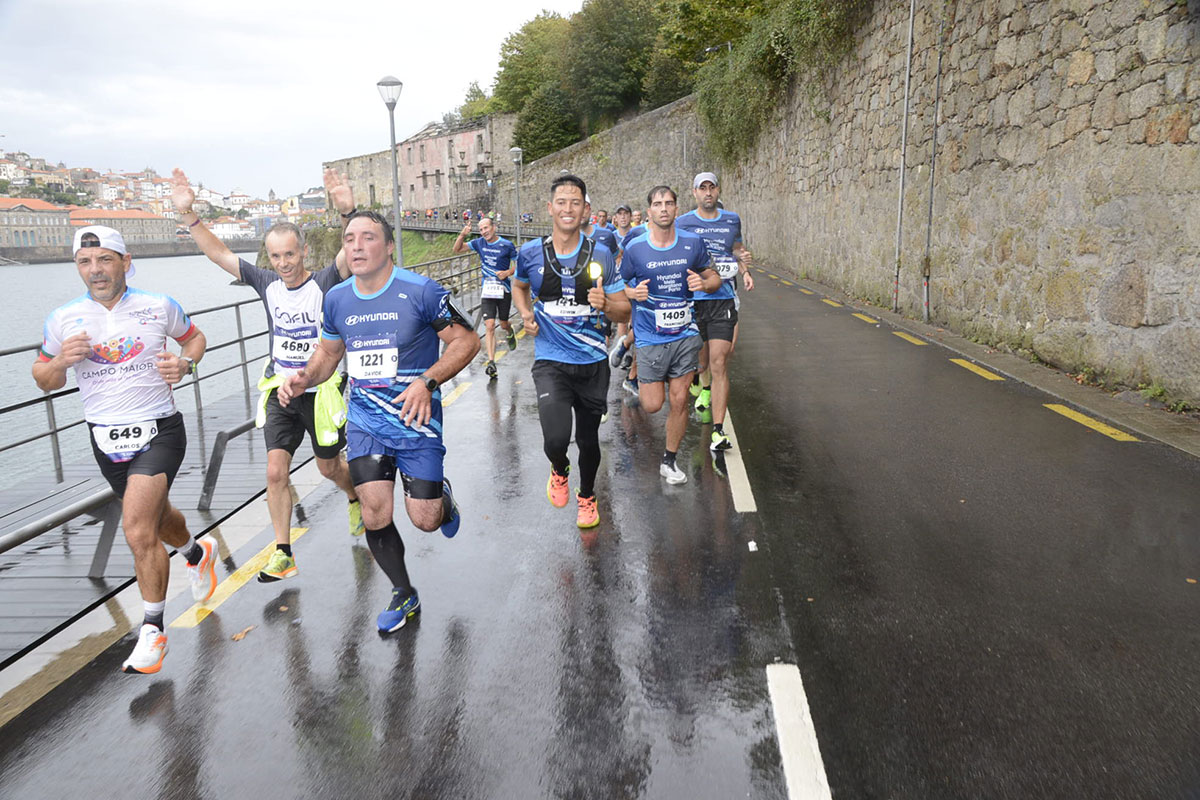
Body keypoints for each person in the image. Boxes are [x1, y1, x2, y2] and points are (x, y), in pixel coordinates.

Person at [278, 211, 478, 633]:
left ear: (388, 247)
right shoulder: (337, 299)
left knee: (425, 518)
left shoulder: (421, 291)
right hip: (366, 422)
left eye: (367, 237)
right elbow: (329, 354)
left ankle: (442, 499)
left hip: (415, 419)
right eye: (349, 238)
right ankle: (403, 593)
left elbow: (467, 340)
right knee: (374, 511)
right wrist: (304, 378)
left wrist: (427, 381)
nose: (356, 246)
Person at [34, 226, 214, 674]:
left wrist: (185, 363)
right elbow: (43, 378)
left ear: (125, 262)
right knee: (158, 519)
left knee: (136, 528)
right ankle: (197, 554)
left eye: (104, 259)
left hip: (160, 430)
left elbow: (195, 338)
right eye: (85, 262)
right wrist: (61, 361)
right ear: (77, 267)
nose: (95, 270)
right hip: (105, 439)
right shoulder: (63, 319)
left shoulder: (158, 306)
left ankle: (152, 631)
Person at [171, 168, 363, 583]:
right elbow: (219, 254)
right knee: (275, 473)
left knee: (329, 468)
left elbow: (350, 253)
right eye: (275, 257)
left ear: (304, 252)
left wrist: (348, 212)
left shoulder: (325, 281)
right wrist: (189, 215)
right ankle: (283, 553)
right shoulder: (266, 283)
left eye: (289, 255)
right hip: (280, 390)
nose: (283, 264)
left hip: (321, 390)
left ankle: (353, 497)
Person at [512, 174, 629, 528]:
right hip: (551, 361)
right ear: (550, 208)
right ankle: (559, 468)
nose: (568, 208)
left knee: (588, 440)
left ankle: (587, 495)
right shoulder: (530, 253)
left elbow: (624, 311)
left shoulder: (601, 254)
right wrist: (525, 313)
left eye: (575, 202)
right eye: (561, 202)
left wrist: (606, 304)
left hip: (593, 362)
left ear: (585, 210)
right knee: (556, 438)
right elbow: (519, 286)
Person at [619, 186, 721, 485]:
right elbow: (618, 285)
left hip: (685, 335)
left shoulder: (692, 242)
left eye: (669, 203)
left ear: (677, 208)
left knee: (680, 400)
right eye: (657, 204)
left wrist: (705, 284)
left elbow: (713, 276)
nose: (663, 208)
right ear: (649, 210)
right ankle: (647, 369)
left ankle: (669, 460)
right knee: (652, 404)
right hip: (650, 338)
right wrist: (632, 293)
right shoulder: (636, 247)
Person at [676, 172, 755, 448]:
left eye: (712, 187)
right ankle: (701, 380)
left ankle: (719, 431)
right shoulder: (682, 222)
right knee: (702, 361)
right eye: (703, 188)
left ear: (718, 190)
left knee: (720, 360)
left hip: (723, 298)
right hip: (693, 301)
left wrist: (744, 267)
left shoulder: (732, 219)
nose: (708, 192)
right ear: (695, 192)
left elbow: (737, 249)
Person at [452, 216, 518, 378]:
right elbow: (457, 249)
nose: (483, 232)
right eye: (481, 230)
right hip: (487, 290)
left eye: (486, 228)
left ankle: (509, 331)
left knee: (503, 323)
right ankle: (491, 362)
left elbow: (519, 266)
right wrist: (463, 234)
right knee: (489, 325)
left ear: (493, 227)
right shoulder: (479, 243)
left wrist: (507, 273)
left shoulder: (507, 245)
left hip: (503, 290)